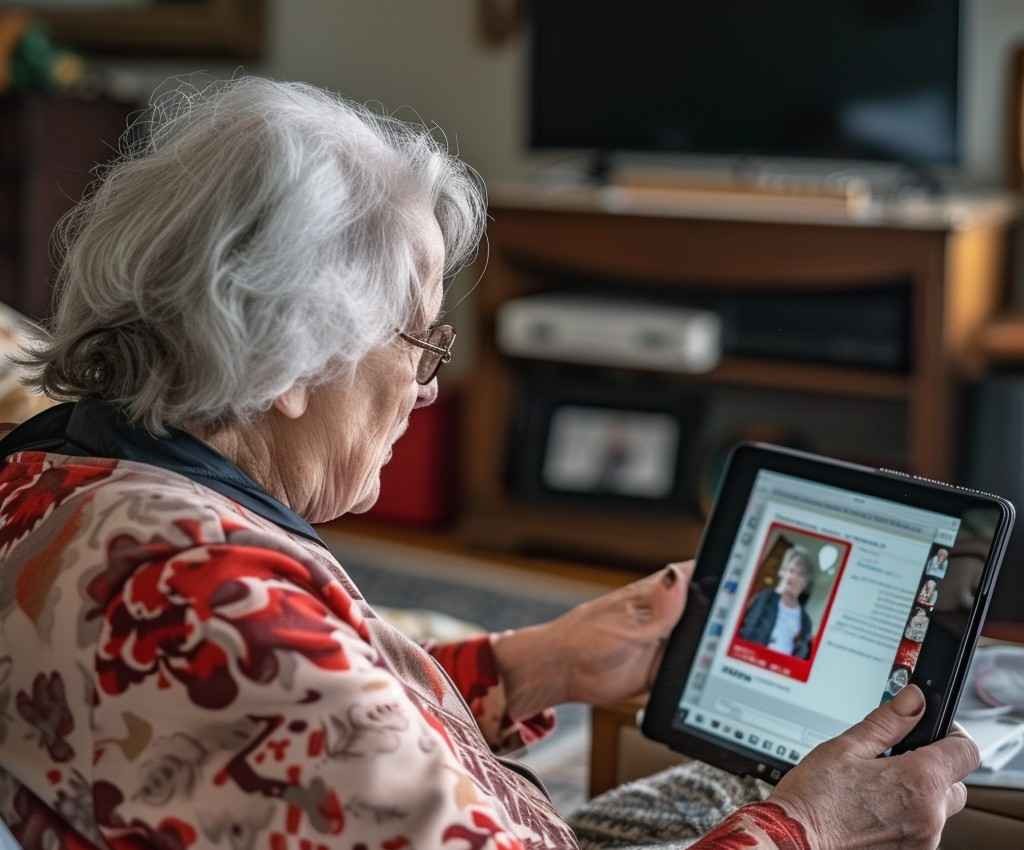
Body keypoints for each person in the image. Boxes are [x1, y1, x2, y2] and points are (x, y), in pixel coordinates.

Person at [0, 78, 979, 850]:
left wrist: (532, 662)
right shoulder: (206, 597)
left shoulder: (55, 478)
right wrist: (807, 826)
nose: (427, 391)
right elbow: (278, 704)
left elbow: (291, 744)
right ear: (292, 354)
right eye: (418, 343)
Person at [738, 546, 815, 659]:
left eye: (800, 574)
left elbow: (801, 654)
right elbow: (745, 632)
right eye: (791, 570)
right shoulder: (765, 598)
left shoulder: (806, 620)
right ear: (782, 572)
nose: (793, 577)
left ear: (805, 582)